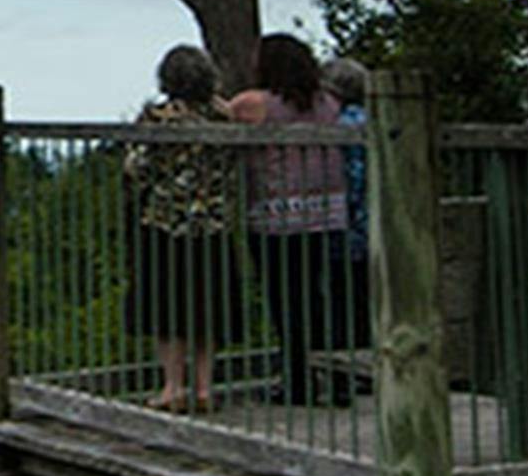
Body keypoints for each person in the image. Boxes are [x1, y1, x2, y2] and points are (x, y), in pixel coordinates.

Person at [125, 44, 243, 414]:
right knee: (208, 305)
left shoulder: (158, 117)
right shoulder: (225, 116)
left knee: (167, 309)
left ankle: (172, 386)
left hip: (166, 222)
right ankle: (205, 387)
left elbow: (136, 167)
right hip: (214, 222)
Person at [229, 34, 347, 403]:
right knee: (322, 299)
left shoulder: (255, 104)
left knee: (286, 300)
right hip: (328, 213)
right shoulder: (329, 103)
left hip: (276, 216)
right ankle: (336, 376)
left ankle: (297, 380)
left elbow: (224, 113)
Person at [322, 56, 373, 354]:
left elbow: (351, 177)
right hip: (374, 225)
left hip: (346, 227)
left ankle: (347, 364)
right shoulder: (373, 119)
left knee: (343, 303)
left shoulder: (337, 125)